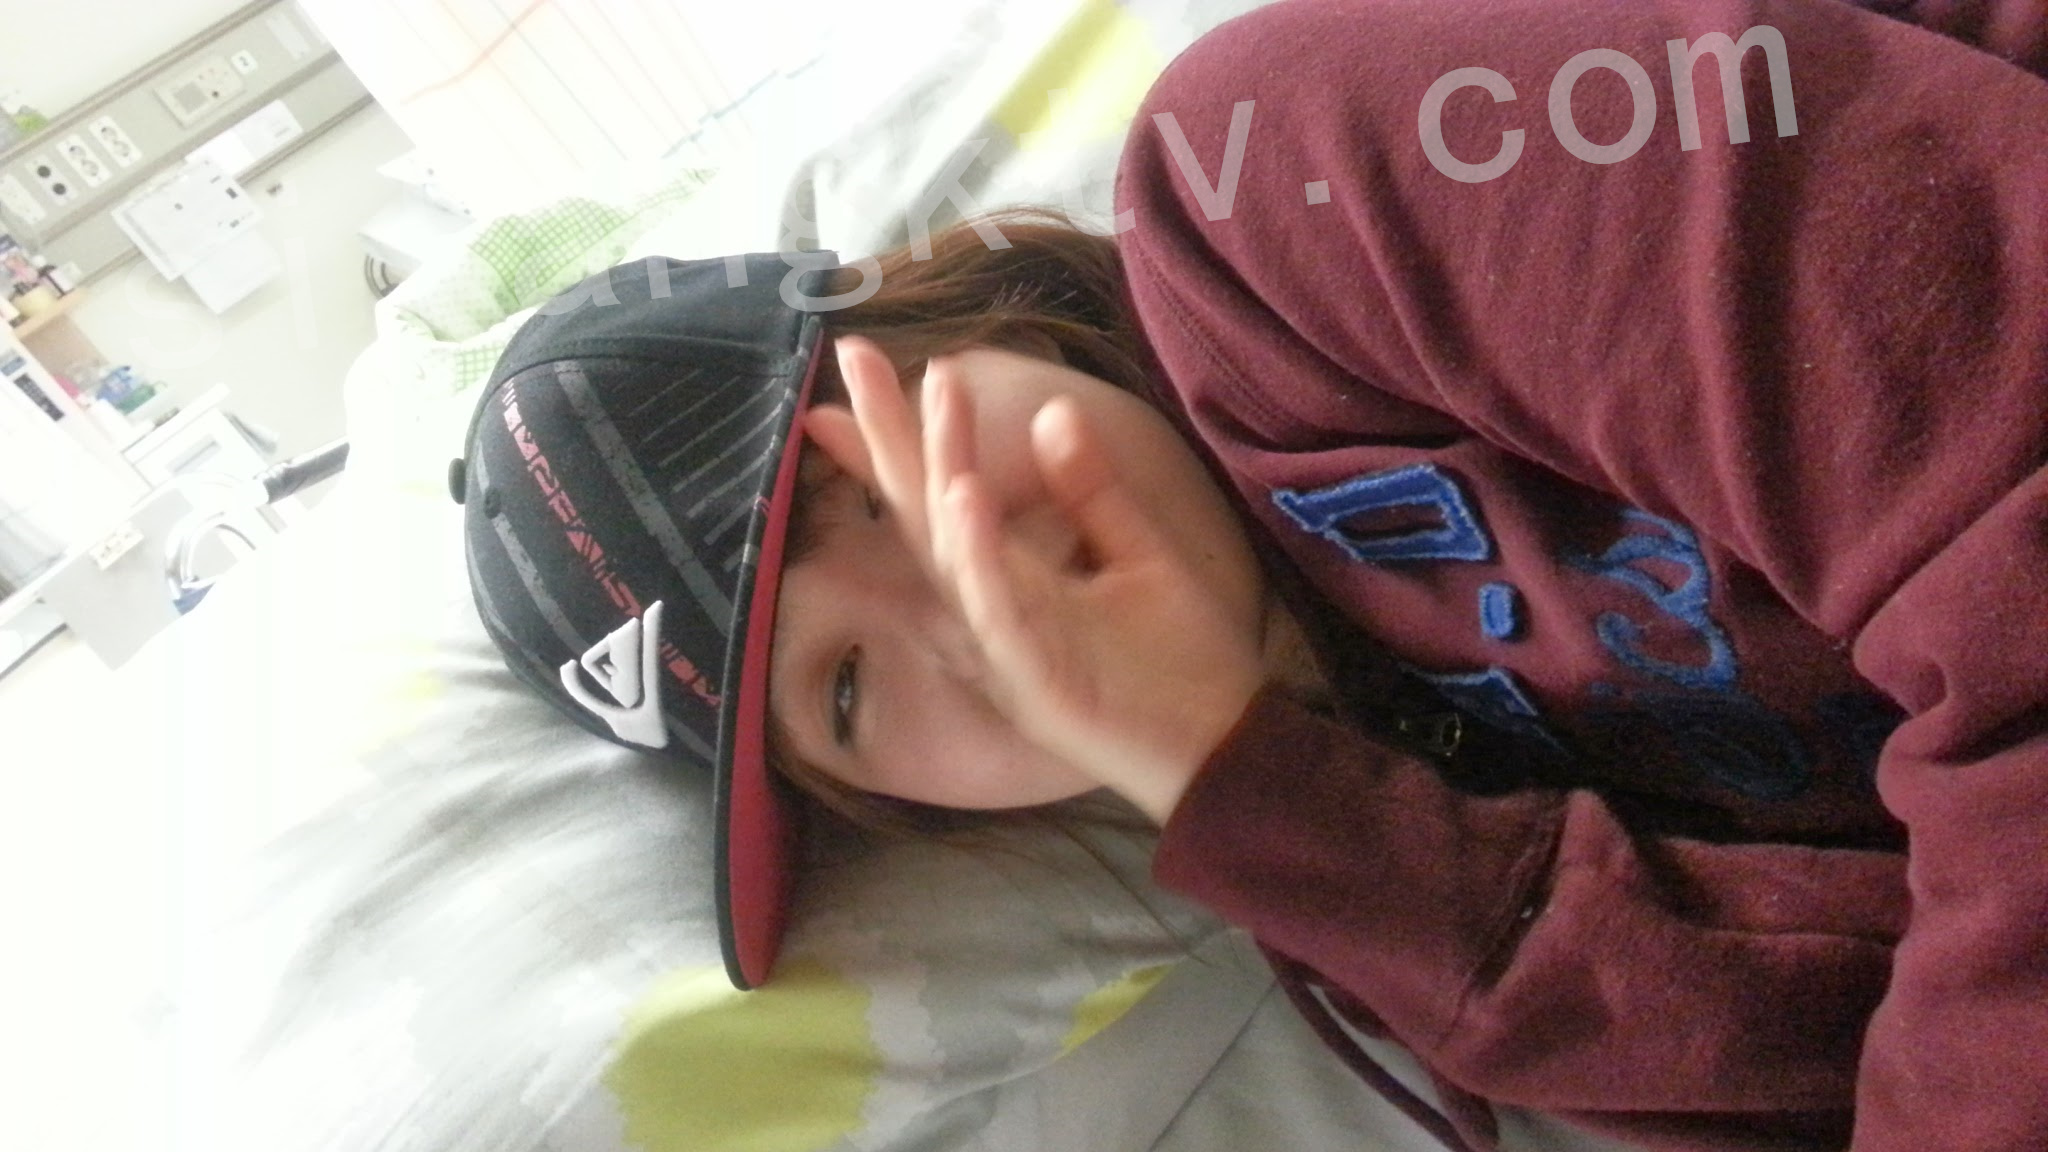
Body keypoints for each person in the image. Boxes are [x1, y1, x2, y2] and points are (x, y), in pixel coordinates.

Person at [454, 1, 2048, 1149]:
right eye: (850, 693)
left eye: (866, 492)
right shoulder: (1342, 827)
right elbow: (1817, 1065)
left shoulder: (1273, 177)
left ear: (942, 323)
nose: (963, 613)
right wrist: (1250, 782)